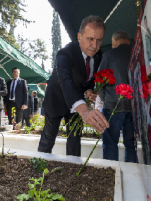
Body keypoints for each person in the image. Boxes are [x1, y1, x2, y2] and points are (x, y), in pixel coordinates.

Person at [38, 15, 110, 157]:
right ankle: (39, 169)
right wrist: (84, 111)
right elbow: (65, 80)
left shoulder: (98, 55)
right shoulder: (65, 53)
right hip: (56, 101)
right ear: (79, 36)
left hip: (75, 102)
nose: (94, 46)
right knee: (48, 139)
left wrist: (89, 90)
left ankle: (74, 169)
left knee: (75, 139)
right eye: (90, 39)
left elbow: (87, 79)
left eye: (99, 40)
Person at [98, 30, 138, 162]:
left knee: (110, 144)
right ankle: (133, 177)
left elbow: (99, 80)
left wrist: (106, 98)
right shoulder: (136, 54)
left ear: (115, 41)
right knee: (131, 146)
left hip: (113, 106)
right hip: (133, 107)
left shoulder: (109, 54)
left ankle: (111, 177)